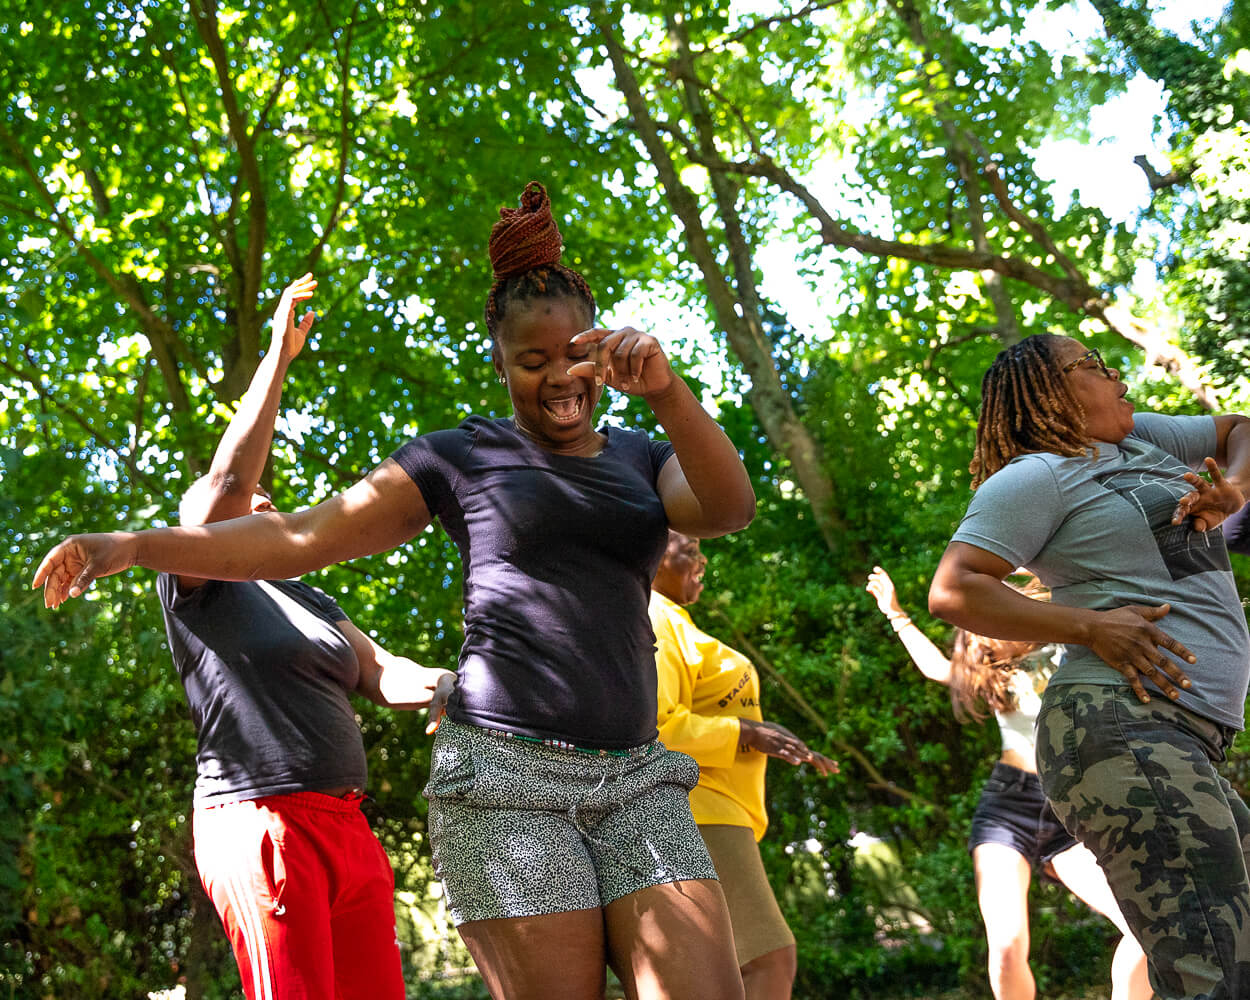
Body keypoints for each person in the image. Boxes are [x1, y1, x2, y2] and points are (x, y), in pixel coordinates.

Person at [34, 182, 757, 1000]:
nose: (561, 379)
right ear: (500, 362)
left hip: (636, 777)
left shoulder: (639, 455)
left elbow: (728, 507)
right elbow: (299, 535)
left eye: (576, 357)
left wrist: (665, 390)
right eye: (533, 361)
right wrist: (133, 545)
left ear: (599, 348)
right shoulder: (459, 456)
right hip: (504, 782)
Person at [927, 334, 1250, 999]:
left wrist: (1237, 486)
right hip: (1123, 730)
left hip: (1181, 738)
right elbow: (954, 588)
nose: (1114, 372)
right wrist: (1088, 625)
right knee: (1217, 973)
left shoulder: (1143, 441)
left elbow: (1242, 427)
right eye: (1091, 366)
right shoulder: (1038, 474)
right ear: (1052, 394)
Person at [159, 273, 455, 998]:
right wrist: (276, 360)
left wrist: (446, 683)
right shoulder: (192, 582)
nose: (255, 499)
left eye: (266, 497)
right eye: (232, 502)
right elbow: (229, 476)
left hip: (346, 828)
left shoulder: (307, 594)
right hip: (261, 821)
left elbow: (379, 670)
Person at [866, 566, 1148, 1000]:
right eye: (979, 628)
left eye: (992, 618)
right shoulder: (994, 673)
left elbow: (1072, 580)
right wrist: (896, 614)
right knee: (1007, 946)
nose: (985, 634)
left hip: (1071, 812)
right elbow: (938, 669)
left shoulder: (1070, 643)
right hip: (1007, 807)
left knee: (1143, 927)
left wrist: (1020, 564)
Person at [649, 530, 837, 1000]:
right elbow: (656, 730)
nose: (703, 560)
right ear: (648, 554)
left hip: (717, 812)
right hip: (701, 810)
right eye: (689, 550)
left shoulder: (675, 619)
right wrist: (747, 733)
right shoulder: (653, 615)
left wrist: (761, 733)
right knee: (767, 961)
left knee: (724, 976)